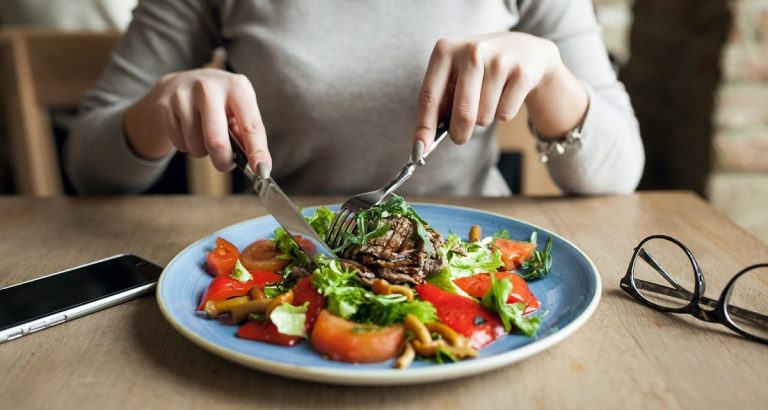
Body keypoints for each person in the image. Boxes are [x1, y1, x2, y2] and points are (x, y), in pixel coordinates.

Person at [65, 0, 644, 196]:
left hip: (471, 267)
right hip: (282, 263)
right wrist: (160, 109)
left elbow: (621, 172)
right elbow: (90, 166)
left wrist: (550, 77)